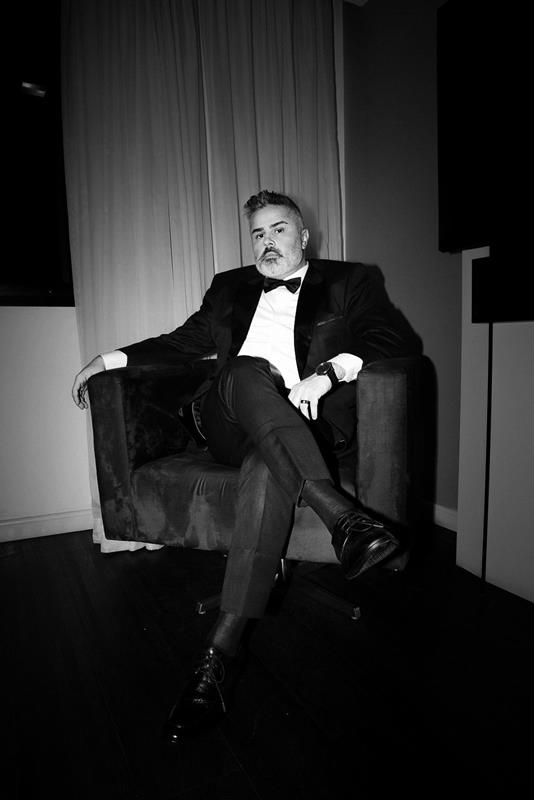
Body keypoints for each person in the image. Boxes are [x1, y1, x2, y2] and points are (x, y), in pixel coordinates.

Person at [72, 190, 421, 742]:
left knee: (267, 463)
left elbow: (394, 338)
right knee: (244, 369)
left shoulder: (350, 281)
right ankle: (340, 514)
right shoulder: (228, 287)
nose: (267, 243)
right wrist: (107, 358)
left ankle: (217, 653)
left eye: (278, 230)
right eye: (258, 234)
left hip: (305, 427)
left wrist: (328, 374)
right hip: (228, 418)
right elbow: (182, 342)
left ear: (303, 235)